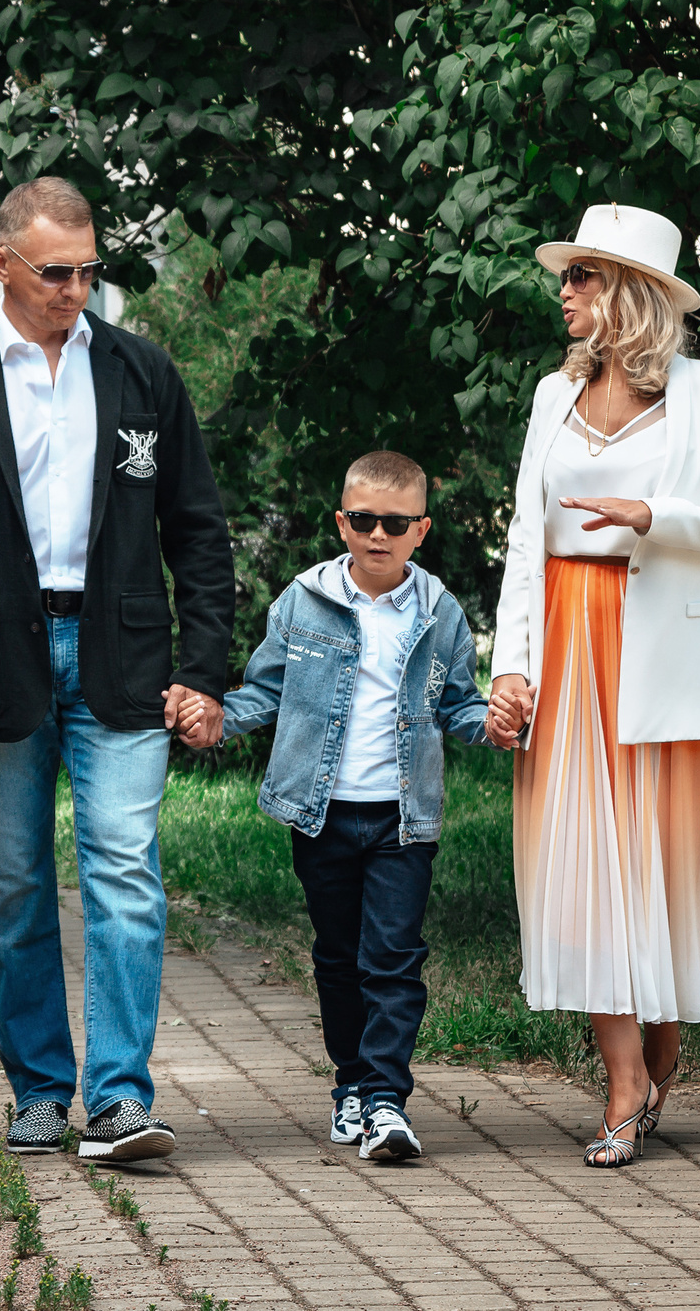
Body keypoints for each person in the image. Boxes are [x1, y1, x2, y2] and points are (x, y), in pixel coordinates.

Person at [0, 176, 235, 1161]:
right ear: (1, 264)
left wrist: (204, 669)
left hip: (123, 655)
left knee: (124, 873)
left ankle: (117, 1098)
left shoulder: (139, 370)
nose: (74, 290)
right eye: (54, 272)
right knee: (11, 883)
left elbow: (197, 529)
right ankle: (38, 1092)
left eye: (87, 270)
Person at [483, 202, 700, 1168]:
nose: (563, 291)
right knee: (583, 867)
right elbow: (526, 537)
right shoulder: (550, 395)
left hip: (662, 655)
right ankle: (621, 1078)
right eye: (565, 276)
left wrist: (656, 514)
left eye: (583, 275)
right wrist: (512, 665)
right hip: (568, 641)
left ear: (633, 292)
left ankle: (662, 1053)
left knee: (665, 865)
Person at [182, 450, 489, 1164]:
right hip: (321, 814)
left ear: (421, 530)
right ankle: (351, 1084)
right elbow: (267, 689)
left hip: (402, 819)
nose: (378, 534)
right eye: (363, 519)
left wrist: (497, 726)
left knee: (393, 958)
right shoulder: (304, 600)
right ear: (342, 522)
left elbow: (460, 704)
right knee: (338, 957)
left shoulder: (439, 612)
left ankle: (385, 1101)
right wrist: (220, 721)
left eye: (396, 523)